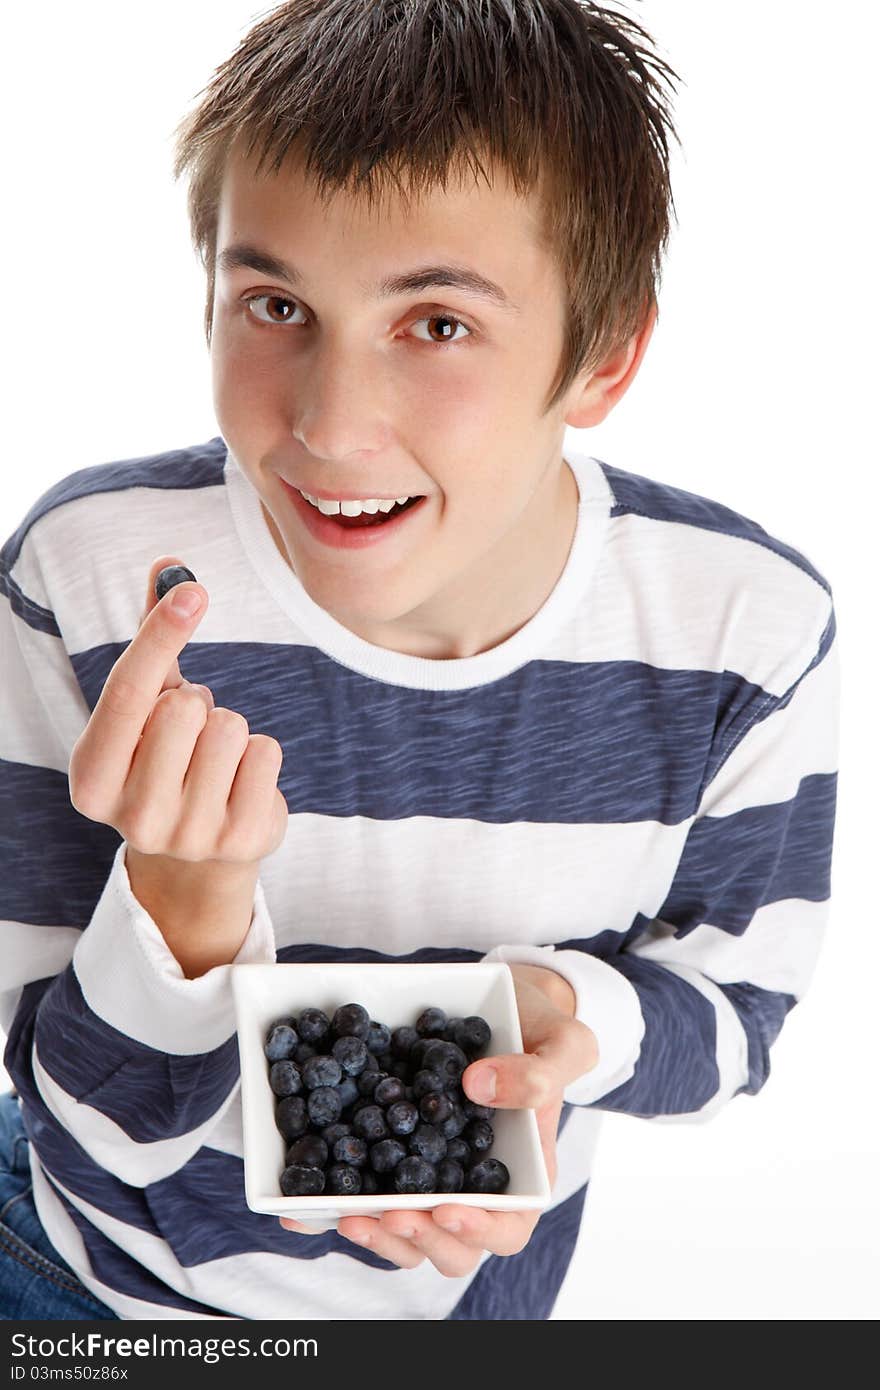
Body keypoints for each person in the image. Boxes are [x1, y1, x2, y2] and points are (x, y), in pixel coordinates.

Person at [0, 0, 839, 1321]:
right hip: (88, 1284)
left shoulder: (744, 636)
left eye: (437, 323)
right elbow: (71, 1109)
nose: (328, 425)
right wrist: (178, 907)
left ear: (604, 357)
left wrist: (566, 1014)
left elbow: (735, 1019)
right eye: (275, 302)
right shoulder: (94, 579)